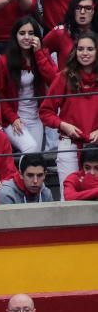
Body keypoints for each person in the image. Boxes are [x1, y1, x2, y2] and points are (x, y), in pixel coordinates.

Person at [39, 30, 98, 197]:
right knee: (69, 198)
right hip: (69, 144)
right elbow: (45, 111)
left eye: (90, 49)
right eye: (80, 49)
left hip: (96, 145)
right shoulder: (64, 77)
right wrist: (63, 125)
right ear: (75, 51)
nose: (84, 53)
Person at [0, 16, 57, 154]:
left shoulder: (43, 54)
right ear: (15, 36)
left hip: (36, 117)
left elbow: (53, 80)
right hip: (13, 118)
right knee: (31, 149)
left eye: (31, 33)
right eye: (22, 33)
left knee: (34, 156)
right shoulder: (3, 62)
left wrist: (38, 53)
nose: (26, 37)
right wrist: (13, 118)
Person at [44, 0, 98, 72]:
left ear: (94, 11)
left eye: (88, 8)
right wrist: (53, 74)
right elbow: (40, 52)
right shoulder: (60, 32)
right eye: (78, 8)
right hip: (66, 83)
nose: (82, 12)